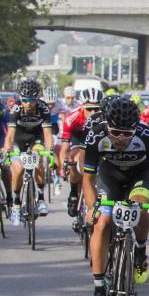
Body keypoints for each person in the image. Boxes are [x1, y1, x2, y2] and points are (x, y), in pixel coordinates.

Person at [82, 96, 149, 296]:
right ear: (106, 124)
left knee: (139, 206)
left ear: (135, 129)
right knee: (102, 223)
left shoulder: (148, 136)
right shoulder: (96, 134)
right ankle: (99, 291)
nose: (120, 138)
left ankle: (140, 250)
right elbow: (88, 180)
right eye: (115, 132)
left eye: (127, 133)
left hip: (139, 176)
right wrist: (92, 208)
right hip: (108, 178)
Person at [3, 78, 54, 223]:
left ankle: (41, 199)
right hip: (18, 138)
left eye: (32, 100)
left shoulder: (43, 109)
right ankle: (17, 204)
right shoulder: (16, 109)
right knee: (18, 170)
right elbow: (10, 136)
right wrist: (7, 152)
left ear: (37, 98)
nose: (28, 103)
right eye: (25, 100)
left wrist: (50, 152)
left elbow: (48, 135)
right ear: (21, 99)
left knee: (38, 162)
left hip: (36, 138)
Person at [58, 87, 104, 216]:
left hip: (98, 139)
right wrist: (64, 164)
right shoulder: (71, 118)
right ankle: (73, 193)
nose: (94, 112)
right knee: (75, 159)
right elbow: (64, 148)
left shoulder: (106, 117)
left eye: (97, 109)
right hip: (79, 138)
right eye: (89, 109)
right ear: (82, 106)